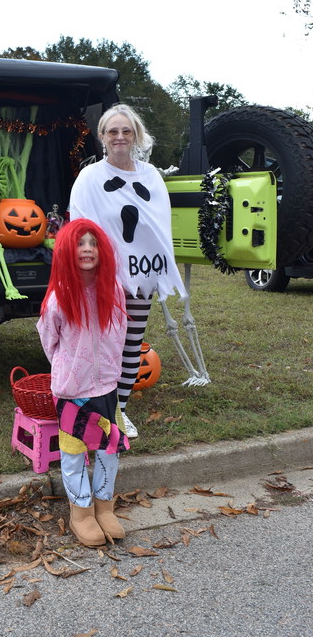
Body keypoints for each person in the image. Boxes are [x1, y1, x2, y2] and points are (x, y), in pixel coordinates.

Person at [69, 103, 187, 439]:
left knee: (131, 344)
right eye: (113, 131)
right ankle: (94, 410)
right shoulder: (91, 178)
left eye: (126, 131)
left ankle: (119, 411)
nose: (119, 137)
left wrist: (159, 269)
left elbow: (159, 226)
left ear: (135, 135)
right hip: (104, 276)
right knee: (99, 344)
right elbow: (81, 225)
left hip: (140, 275)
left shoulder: (150, 177)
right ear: (102, 136)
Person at [36, 218, 129, 547]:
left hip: (107, 387)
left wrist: (108, 368)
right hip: (73, 392)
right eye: (79, 243)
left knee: (108, 450)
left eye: (93, 243)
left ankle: (104, 507)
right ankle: (82, 513)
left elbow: (120, 334)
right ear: (66, 251)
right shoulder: (59, 298)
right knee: (74, 452)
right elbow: (49, 340)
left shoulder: (114, 291)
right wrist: (69, 368)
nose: (87, 249)